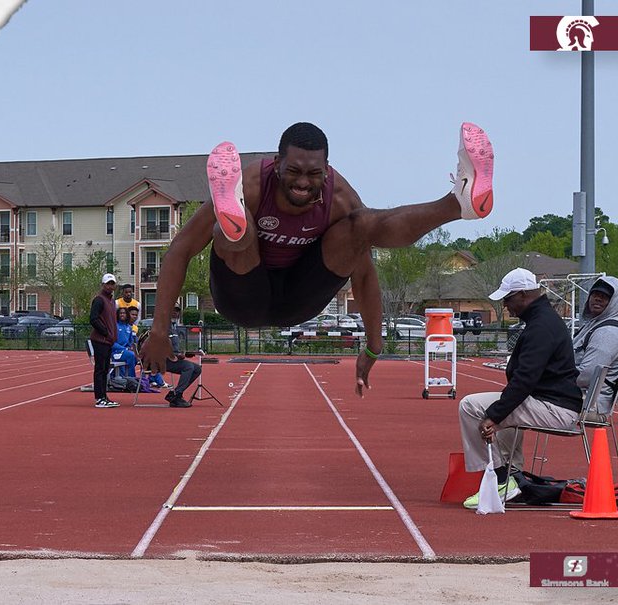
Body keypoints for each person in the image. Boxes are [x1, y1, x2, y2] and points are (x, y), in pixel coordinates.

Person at [141, 121, 495, 396]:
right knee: (229, 231)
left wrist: (373, 347)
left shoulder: (338, 197)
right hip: (243, 294)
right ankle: (234, 224)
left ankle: (458, 203)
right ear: (276, 164)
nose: (303, 183)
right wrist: (159, 331)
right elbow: (180, 249)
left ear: (327, 169)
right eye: (293, 171)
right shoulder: (252, 183)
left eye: (314, 174)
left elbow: (365, 277)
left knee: (361, 225)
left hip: (300, 297)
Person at [457, 268, 582, 509]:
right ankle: (512, 477)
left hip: (557, 409)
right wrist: (498, 411)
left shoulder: (541, 326)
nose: (506, 305)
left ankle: (501, 479)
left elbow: (525, 379)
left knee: (471, 406)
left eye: (508, 298)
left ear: (524, 295)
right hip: (554, 402)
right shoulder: (542, 320)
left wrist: (493, 416)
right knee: (501, 405)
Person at [573, 276, 618, 411]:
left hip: (592, 403)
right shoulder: (595, 323)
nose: (598, 299)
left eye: (604, 297)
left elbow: (587, 376)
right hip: (578, 394)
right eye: (595, 294)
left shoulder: (608, 332)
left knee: (518, 405)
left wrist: (553, 380)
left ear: (614, 302)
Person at [89, 273, 121, 408]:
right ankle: (99, 398)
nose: (110, 286)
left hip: (108, 341)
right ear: (103, 285)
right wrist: (106, 332)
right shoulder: (99, 300)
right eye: (108, 284)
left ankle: (104, 396)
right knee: (100, 369)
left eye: (112, 284)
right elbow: (93, 318)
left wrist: (112, 335)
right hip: (100, 340)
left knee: (105, 369)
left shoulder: (112, 301)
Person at [161, 329, 201, 408]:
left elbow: (175, 349)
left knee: (197, 369)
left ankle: (175, 393)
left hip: (171, 360)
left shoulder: (174, 328)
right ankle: (177, 395)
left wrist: (185, 353)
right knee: (188, 367)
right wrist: (176, 355)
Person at [112, 307, 138, 378]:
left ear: (127, 315)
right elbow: (112, 343)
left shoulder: (129, 327)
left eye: (124, 313)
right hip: (116, 352)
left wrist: (132, 347)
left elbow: (130, 342)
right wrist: (124, 349)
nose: (122, 315)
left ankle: (124, 376)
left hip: (125, 351)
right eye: (121, 313)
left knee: (137, 356)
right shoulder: (114, 326)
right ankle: (131, 378)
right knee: (131, 355)